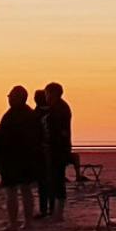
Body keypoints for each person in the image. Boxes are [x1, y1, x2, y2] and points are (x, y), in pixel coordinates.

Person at [0, 85, 43, 231]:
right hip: (23, 159)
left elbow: (6, 137)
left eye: (11, 97)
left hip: (16, 159)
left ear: (19, 98)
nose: (9, 99)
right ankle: (24, 222)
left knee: (14, 191)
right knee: (23, 190)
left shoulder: (18, 115)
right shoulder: (29, 115)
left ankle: (16, 223)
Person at [43, 82, 72, 220]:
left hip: (57, 149)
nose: (45, 96)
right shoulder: (56, 108)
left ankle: (58, 213)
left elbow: (58, 132)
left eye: (47, 93)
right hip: (57, 148)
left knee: (57, 179)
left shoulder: (59, 109)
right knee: (54, 179)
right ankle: (56, 211)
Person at [33, 88, 54, 218]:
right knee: (50, 181)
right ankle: (51, 208)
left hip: (41, 151)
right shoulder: (53, 111)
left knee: (43, 182)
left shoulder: (36, 114)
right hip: (50, 149)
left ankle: (44, 209)